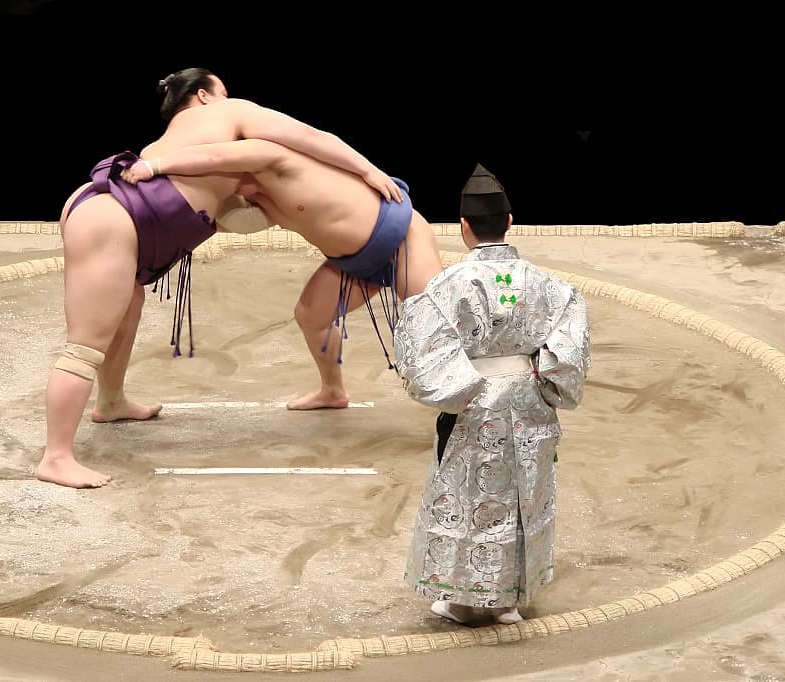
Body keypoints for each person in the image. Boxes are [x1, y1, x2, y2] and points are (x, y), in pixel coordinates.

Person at [38, 67, 404, 489]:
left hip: (110, 215)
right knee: (85, 347)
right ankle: (56, 457)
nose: (230, 98)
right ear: (204, 94)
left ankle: (111, 401)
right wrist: (368, 170)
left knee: (127, 306)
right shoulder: (227, 112)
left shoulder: (172, 140)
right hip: (112, 222)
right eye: (224, 91)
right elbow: (314, 138)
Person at [391, 164, 591, 626]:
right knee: (523, 497)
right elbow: (569, 346)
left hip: (475, 402)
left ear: (463, 227)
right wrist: (541, 378)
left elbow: (422, 351)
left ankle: (465, 602)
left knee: (472, 498)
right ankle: (508, 602)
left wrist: (460, 389)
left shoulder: (445, 287)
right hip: (531, 399)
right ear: (509, 221)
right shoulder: (549, 286)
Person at [119, 139, 445, 411]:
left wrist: (154, 165)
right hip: (353, 263)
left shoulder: (273, 157)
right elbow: (196, 217)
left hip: (400, 237)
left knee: (437, 325)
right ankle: (333, 391)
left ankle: (469, 405)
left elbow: (213, 155)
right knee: (311, 316)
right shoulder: (253, 205)